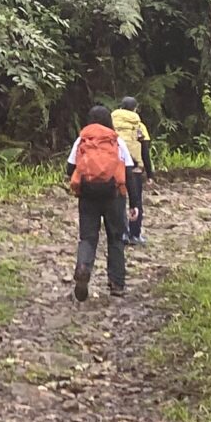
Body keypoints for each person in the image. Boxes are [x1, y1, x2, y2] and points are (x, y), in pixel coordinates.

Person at [64, 103, 135, 302]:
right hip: (114, 196)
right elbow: (129, 172)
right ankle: (117, 284)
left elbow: (69, 169)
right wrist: (134, 202)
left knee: (87, 238)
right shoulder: (116, 141)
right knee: (116, 238)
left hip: (88, 196)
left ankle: (83, 267)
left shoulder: (82, 140)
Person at [110, 96, 154, 244]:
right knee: (136, 200)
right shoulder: (139, 126)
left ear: (120, 107)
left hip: (115, 167)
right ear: (135, 109)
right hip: (134, 168)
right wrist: (150, 173)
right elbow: (145, 151)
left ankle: (120, 233)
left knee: (118, 200)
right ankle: (134, 234)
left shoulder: (111, 124)